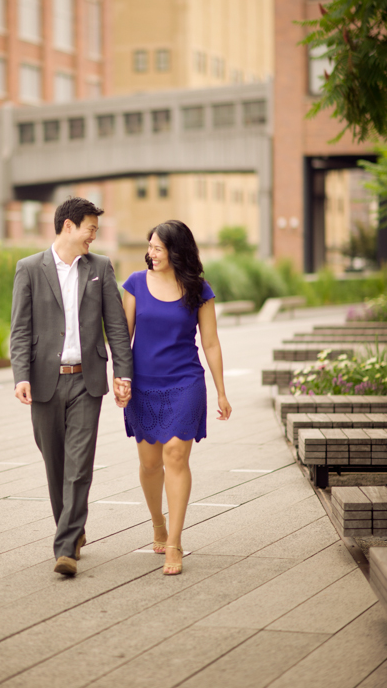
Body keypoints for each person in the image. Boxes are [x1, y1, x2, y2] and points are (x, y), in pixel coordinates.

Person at [10, 197, 133, 577]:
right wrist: (21, 375)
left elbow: (115, 325)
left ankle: (65, 547)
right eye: (89, 229)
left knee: (79, 465)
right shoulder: (29, 269)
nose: (93, 237)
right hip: (45, 382)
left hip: (86, 379)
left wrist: (123, 373)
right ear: (68, 226)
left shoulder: (100, 268)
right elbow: (20, 330)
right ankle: (72, 528)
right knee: (56, 466)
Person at [119, 220, 232, 575]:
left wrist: (221, 391)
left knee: (175, 457)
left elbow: (211, 343)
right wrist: (120, 378)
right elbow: (124, 337)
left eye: (157, 248)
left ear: (175, 251)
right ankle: (157, 522)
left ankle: (175, 543)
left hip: (185, 381)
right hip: (143, 385)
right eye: (149, 247)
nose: (150, 254)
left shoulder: (199, 289)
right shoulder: (136, 284)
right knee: (151, 463)